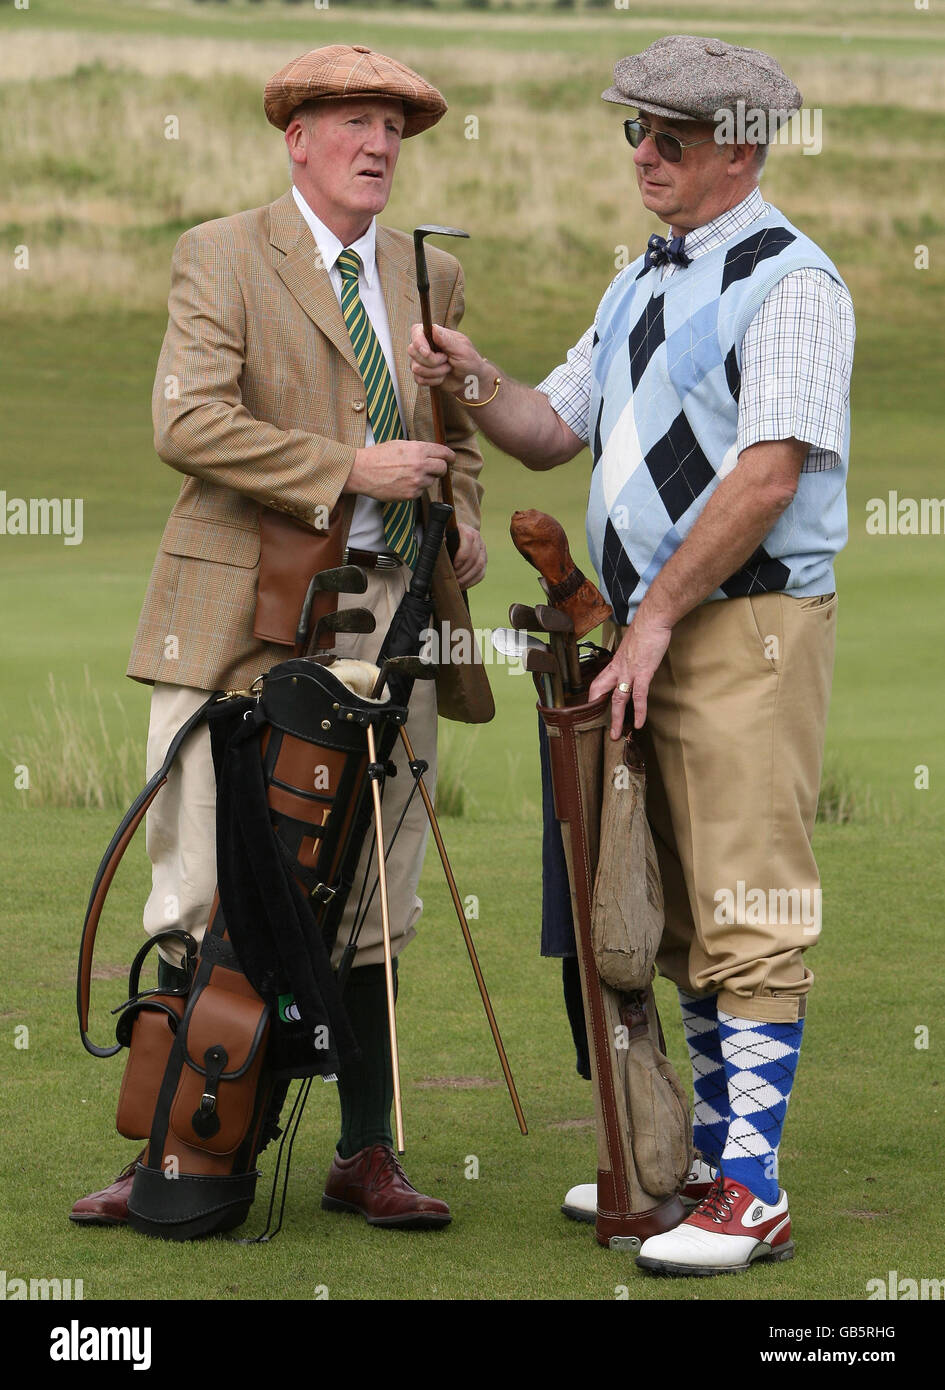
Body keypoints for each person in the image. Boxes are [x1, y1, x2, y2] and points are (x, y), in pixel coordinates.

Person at [409, 34, 854, 1274]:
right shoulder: (640, 283)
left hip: (744, 625)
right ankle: (706, 1160)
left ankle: (750, 1191)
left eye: (670, 136)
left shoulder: (795, 281)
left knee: (748, 900)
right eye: (635, 133)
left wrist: (651, 614)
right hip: (646, 629)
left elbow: (767, 476)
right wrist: (469, 375)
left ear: (742, 148)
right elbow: (552, 429)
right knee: (661, 903)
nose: (645, 154)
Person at [70, 44, 487, 1232]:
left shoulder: (431, 271)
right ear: (295, 137)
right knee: (201, 883)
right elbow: (187, 420)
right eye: (353, 120)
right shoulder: (220, 253)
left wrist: (455, 514)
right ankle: (174, 1153)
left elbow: (455, 433)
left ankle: (366, 1153)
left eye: (395, 127)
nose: (378, 144)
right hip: (234, 611)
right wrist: (347, 468)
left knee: (372, 898)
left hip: (387, 613)